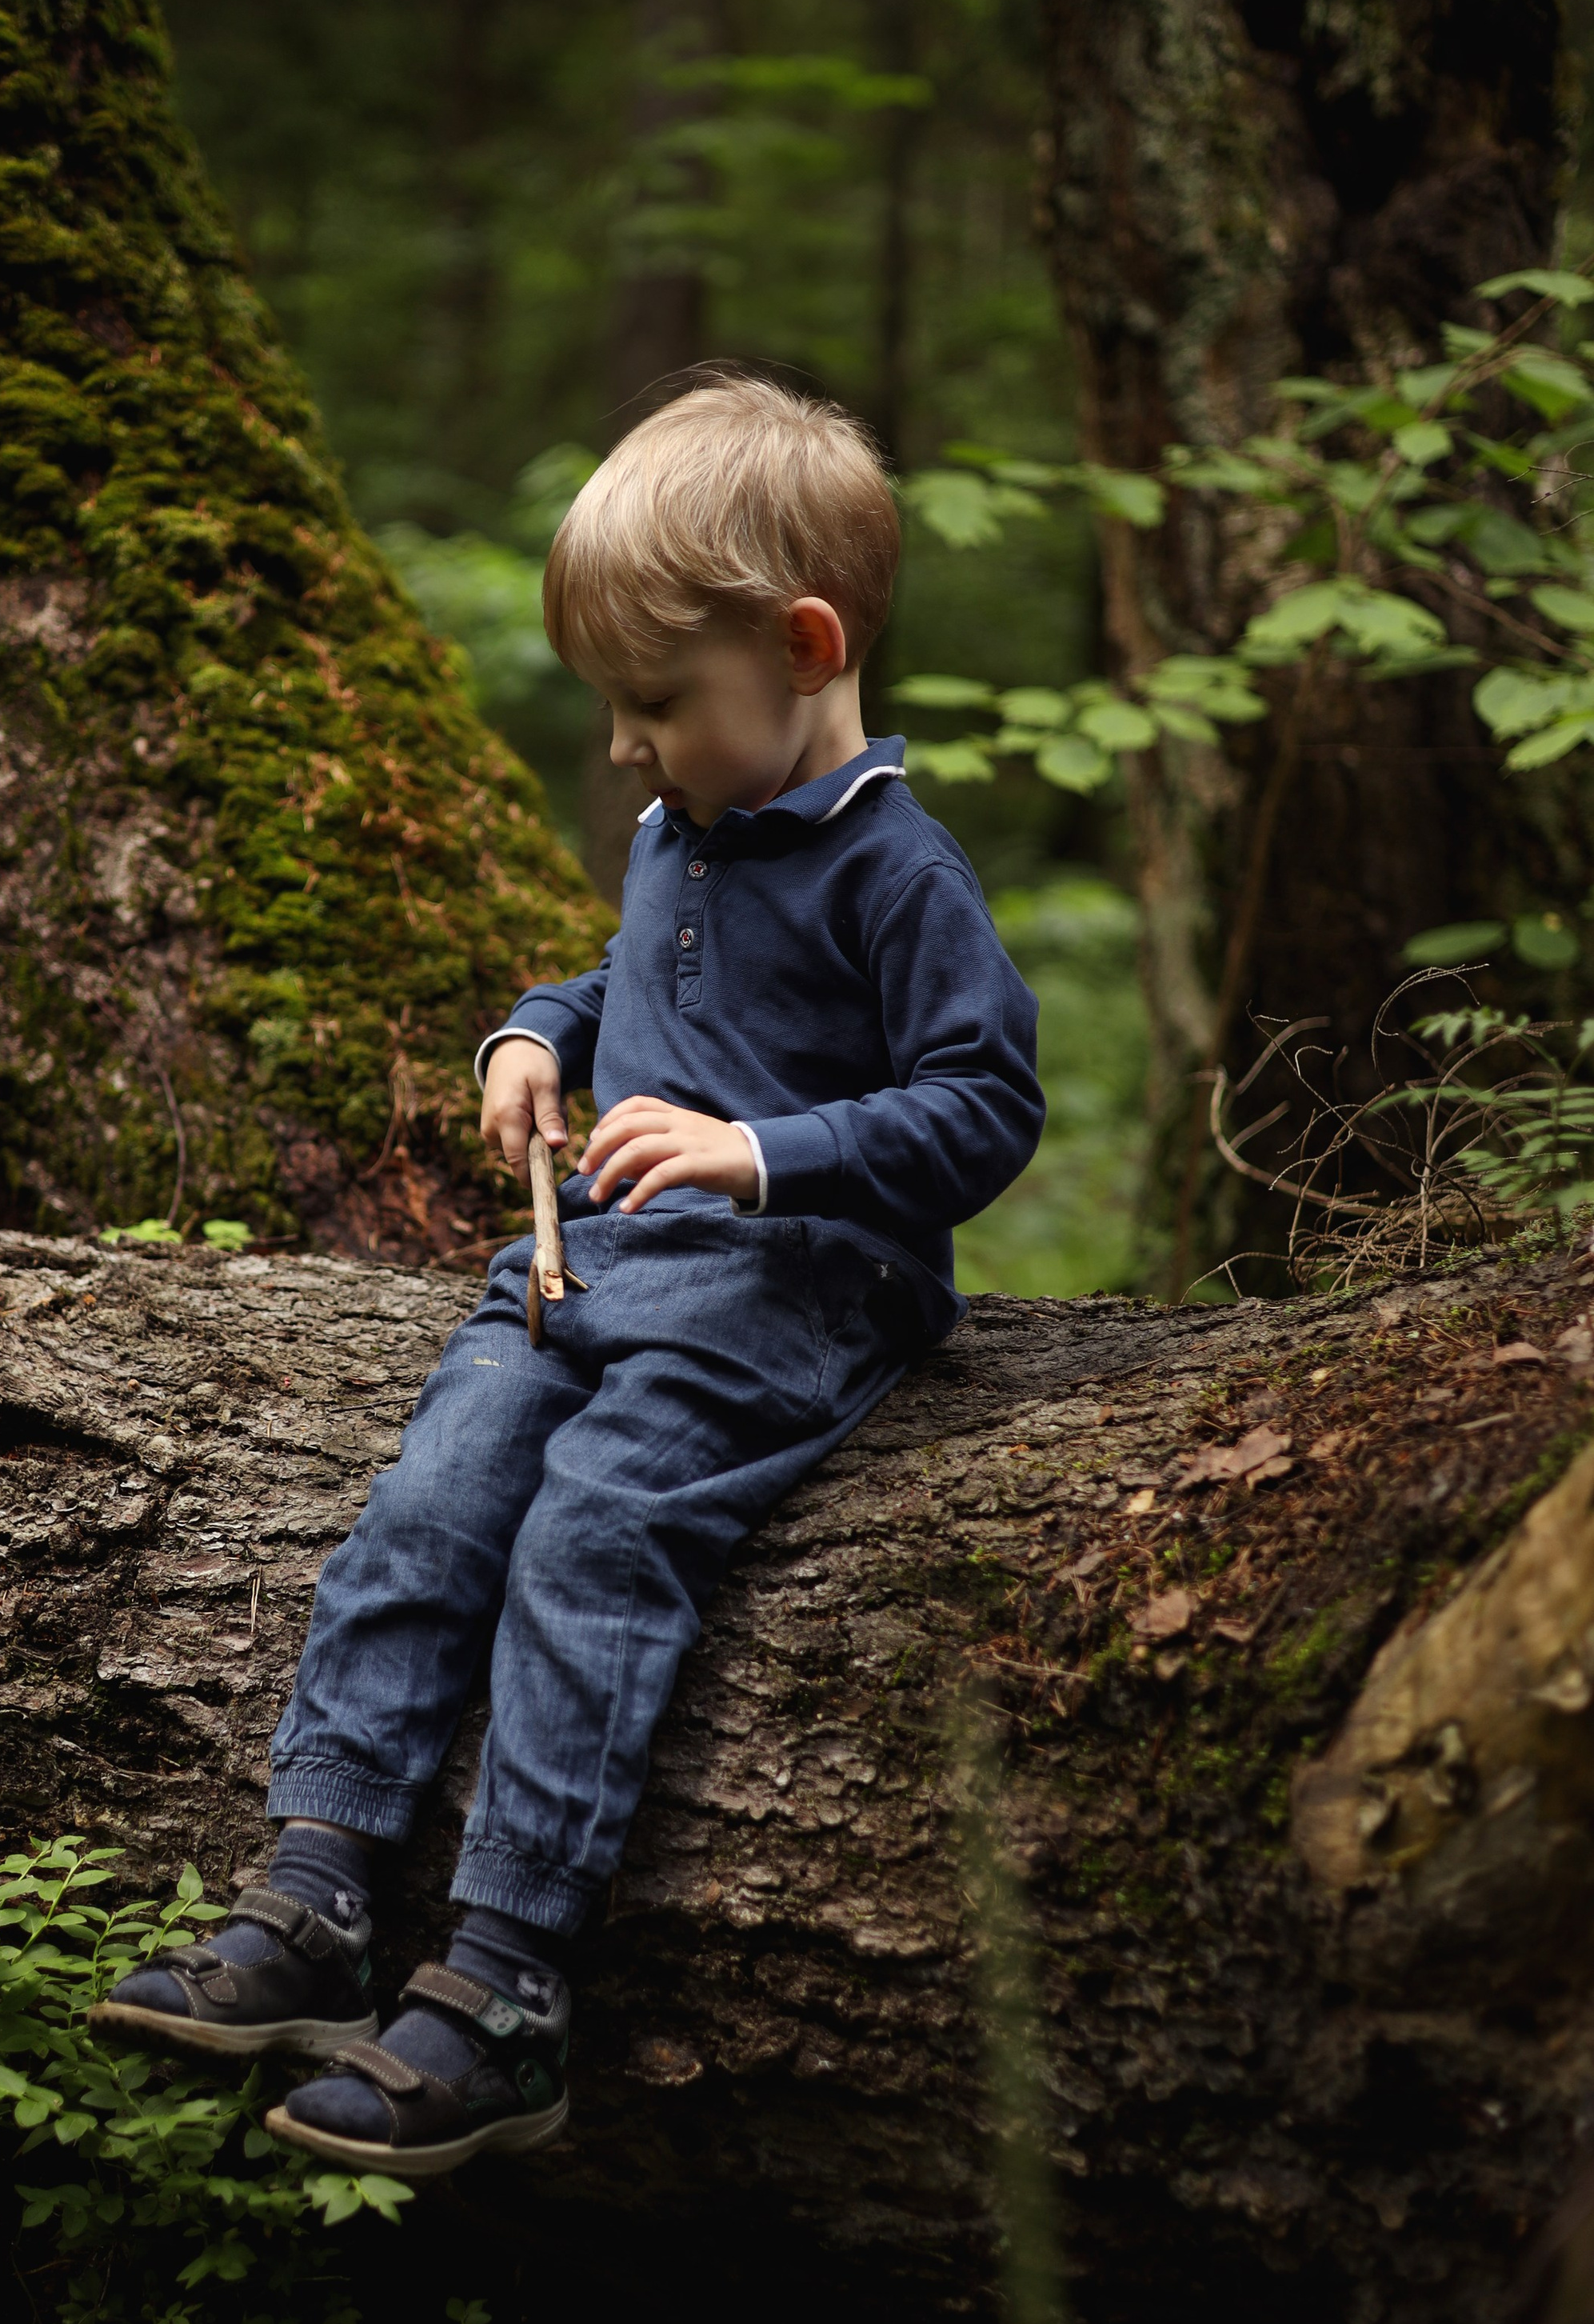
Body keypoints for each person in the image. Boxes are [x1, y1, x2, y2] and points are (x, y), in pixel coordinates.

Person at [87, 374, 1044, 2178]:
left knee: (594, 1534)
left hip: (798, 1281)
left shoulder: (899, 878)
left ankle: (508, 1980)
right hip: (606, 1260)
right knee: (435, 1496)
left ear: (804, 644)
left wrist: (758, 1151)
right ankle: (317, 1889)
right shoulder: (687, 826)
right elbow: (640, 989)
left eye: (653, 704)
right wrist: (534, 1032)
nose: (623, 749)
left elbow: (982, 1105)